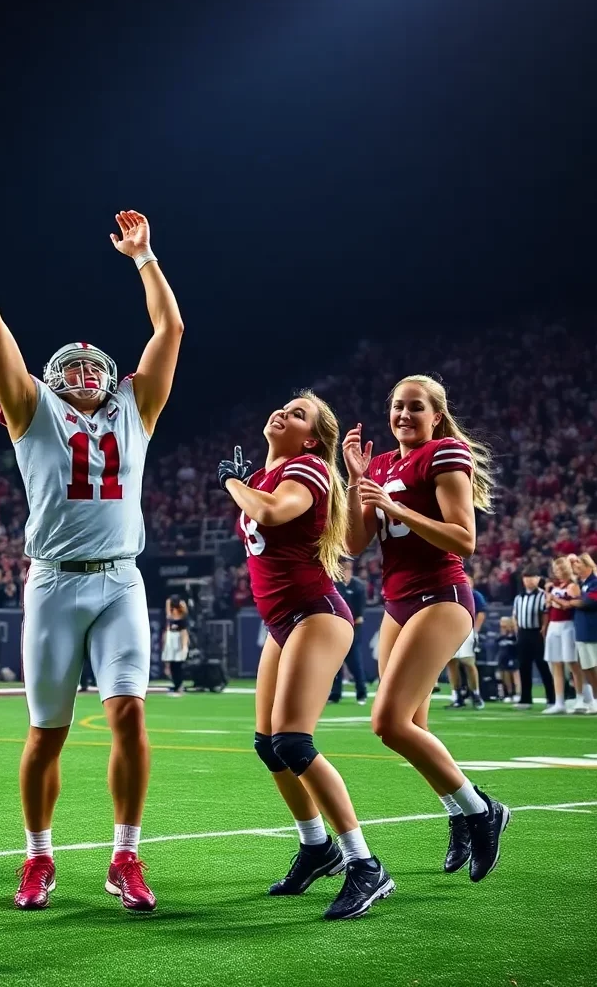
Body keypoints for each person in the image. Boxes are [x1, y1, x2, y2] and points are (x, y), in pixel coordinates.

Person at [0, 179, 183, 913]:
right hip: (56, 583)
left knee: (129, 714)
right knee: (46, 733)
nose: (86, 373)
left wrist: (145, 259)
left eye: (95, 367)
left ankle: (125, 853)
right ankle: (37, 858)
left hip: (122, 581)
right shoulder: (31, 409)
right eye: (72, 367)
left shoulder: (138, 405)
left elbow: (170, 333)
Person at [221, 393, 393, 921]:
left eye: (299, 414)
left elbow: (271, 512)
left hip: (315, 612)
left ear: (313, 437)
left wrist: (233, 483)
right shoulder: (272, 475)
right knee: (268, 746)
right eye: (284, 407)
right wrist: (248, 484)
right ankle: (317, 848)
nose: (283, 413)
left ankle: (365, 865)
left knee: (293, 741)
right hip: (283, 620)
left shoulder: (309, 466)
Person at [344, 375, 509, 884]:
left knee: (387, 722)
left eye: (416, 407)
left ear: (436, 415)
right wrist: (356, 481)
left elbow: (464, 538)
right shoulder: (382, 464)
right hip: (397, 604)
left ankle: (481, 810)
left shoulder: (445, 452)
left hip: (441, 595)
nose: (404, 415)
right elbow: (353, 544)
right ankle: (460, 812)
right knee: (412, 728)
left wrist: (396, 507)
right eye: (397, 407)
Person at [542, 557, 582, 714]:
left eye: (559, 569)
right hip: (554, 624)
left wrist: (554, 597)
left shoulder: (572, 586)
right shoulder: (554, 586)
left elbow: (570, 605)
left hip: (567, 625)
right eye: (555, 569)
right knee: (555, 663)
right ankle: (559, 701)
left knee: (572, 663)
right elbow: (548, 605)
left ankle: (580, 697)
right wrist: (548, 596)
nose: (557, 572)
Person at [511, 566, 553, 709]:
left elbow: (545, 613)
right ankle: (525, 698)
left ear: (538, 579)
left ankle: (552, 698)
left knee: (543, 665)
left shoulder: (543, 595)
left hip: (537, 632)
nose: (529, 580)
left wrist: (544, 629)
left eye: (532, 577)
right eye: (526, 577)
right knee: (524, 666)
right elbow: (515, 616)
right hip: (523, 633)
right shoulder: (518, 597)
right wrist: (518, 631)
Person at [328, 558, 367, 705]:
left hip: (353, 629)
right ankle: (335, 694)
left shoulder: (358, 587)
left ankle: (361, 693)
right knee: (335, 665)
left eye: (346, 570)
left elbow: (359, 616)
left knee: (355, 664)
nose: (344, 573)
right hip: (337, 629)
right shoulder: (335, 586)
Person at [445, 574, 487, 710]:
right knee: (451, 663)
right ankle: (457, 695)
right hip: (450, 630)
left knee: (468, 662)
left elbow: (481, 613)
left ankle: (476, 693)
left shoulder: (474, 595)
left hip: (467, 630)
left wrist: (475, 630)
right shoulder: (449, 594)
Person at [566, 552, 597, 713]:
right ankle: (595, 699)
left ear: (587, 566)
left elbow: (589, 603)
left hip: (593, 630)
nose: (576, 567)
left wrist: (573, 601)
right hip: (582, 629)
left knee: (594, 666)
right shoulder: (583, 583)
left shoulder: (595, 583)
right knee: (586, 667)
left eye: (578, 564)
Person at [161, 595, 189, 696]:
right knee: (172, 665)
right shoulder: (170, 617)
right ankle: (176, 685)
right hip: (171, 640)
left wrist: (184, 646)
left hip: (178, 640)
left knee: (178, 666)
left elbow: (184, 632)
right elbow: (168, 609)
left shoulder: (182, 617)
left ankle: (179, 685)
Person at [494, 617, 521, 703]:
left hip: (513, 657)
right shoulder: (501, 636)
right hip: (503, 658)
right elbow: (496, 643)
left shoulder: (514, 636)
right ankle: (509, 694)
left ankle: (518, 693)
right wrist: (503, 634)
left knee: (515, 675)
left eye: (504, 623)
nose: (502, 624)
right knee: (505, 676)